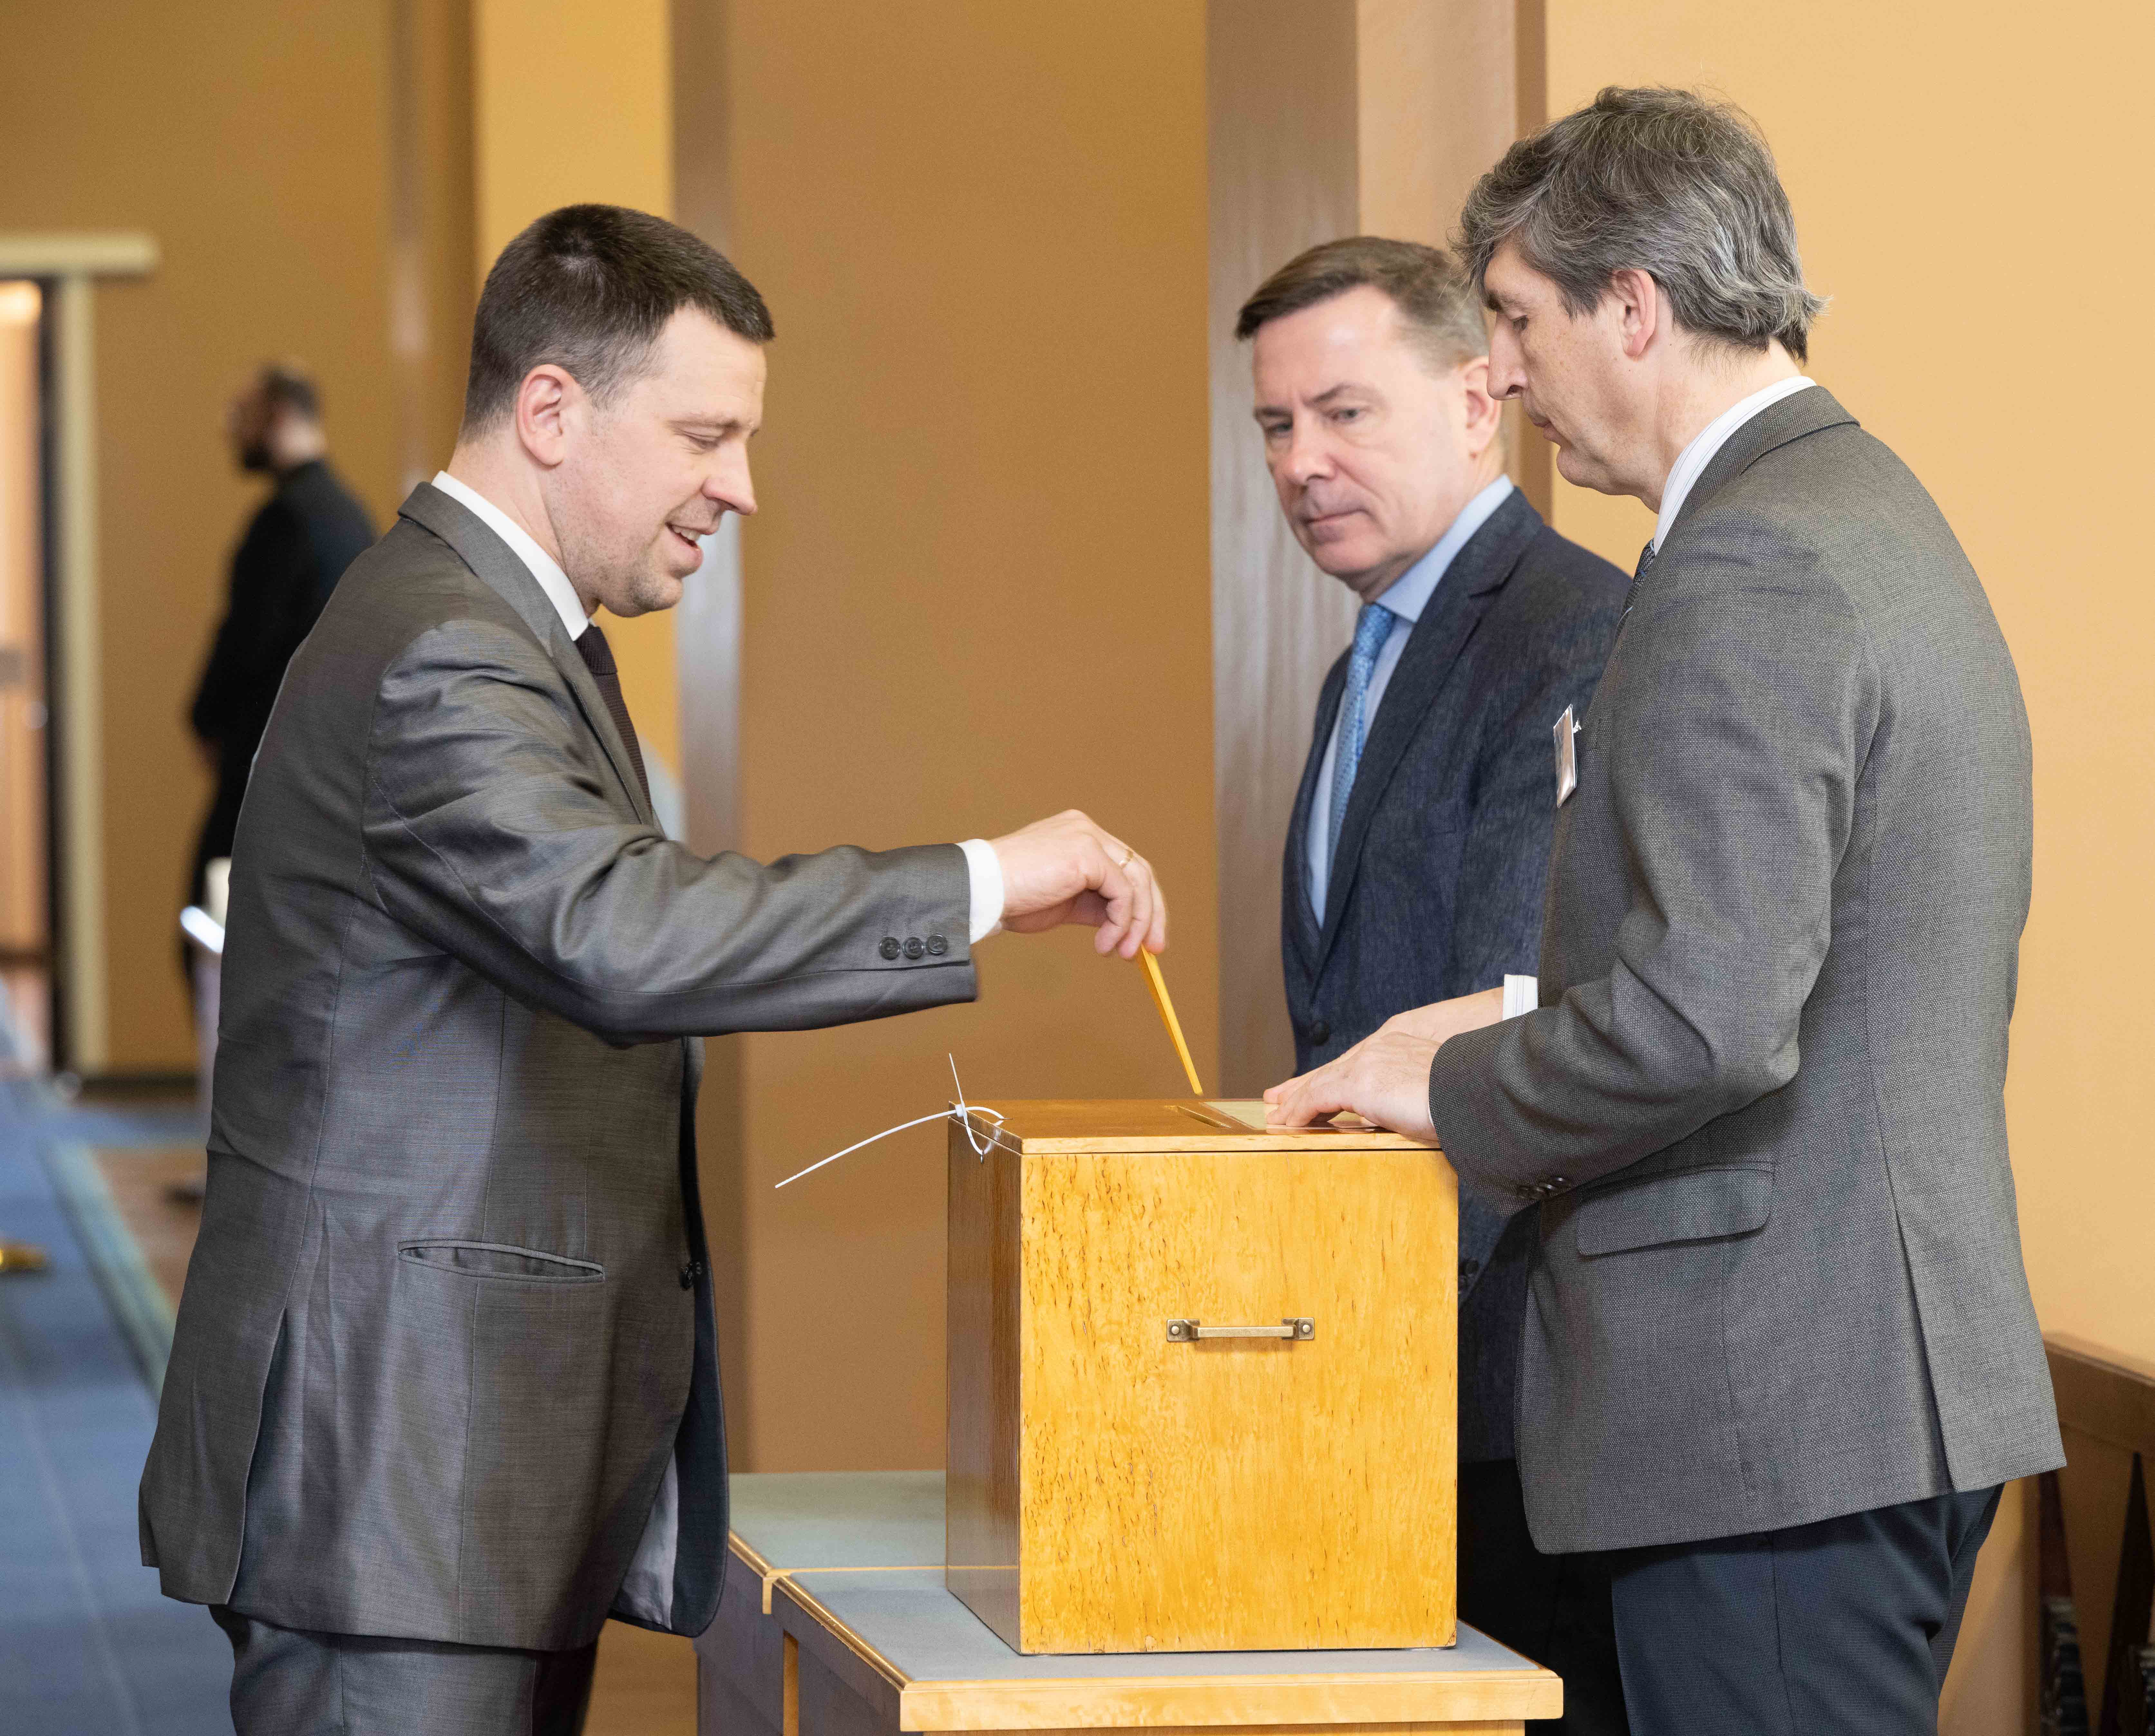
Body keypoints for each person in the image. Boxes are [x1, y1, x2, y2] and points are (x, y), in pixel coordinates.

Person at [139, 204, 1170, 1736]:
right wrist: (981, 879)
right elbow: (619, 931)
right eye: (705, 435)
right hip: (395, 1473)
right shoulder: (443, 644)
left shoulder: (502, 626)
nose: (738, 486)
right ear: (551, 410)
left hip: (448, 1475)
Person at [1265, 89, 2061, 1732]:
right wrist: (1504, 1017)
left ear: (1632, 305)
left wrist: (1444, 1087)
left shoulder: (1747, 561)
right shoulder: (1853, 507)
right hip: (1852, 1393)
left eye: (1514, 320)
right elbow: (1801, 957)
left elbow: (1706, 1018)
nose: (1499, 373)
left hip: (1767, 1413)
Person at [1238, 237, 1626, 1731]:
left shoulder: (1562, 630)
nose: (1301, 462)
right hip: (1389, 1380)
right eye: (1275, 425)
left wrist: (1361, 1365)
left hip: (1504, 1395)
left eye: (1344, 413)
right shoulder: (1364, 662)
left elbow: (1507, 1012)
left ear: (1476, 402)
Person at [186, 363, 376, 916]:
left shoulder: (286, 519)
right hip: (327, 774)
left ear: (280, 416)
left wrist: (205, 718)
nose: (231, 428)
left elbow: (247, 643)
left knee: (214, 927)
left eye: (245, 414)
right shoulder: (350, 515)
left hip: (265, 768)